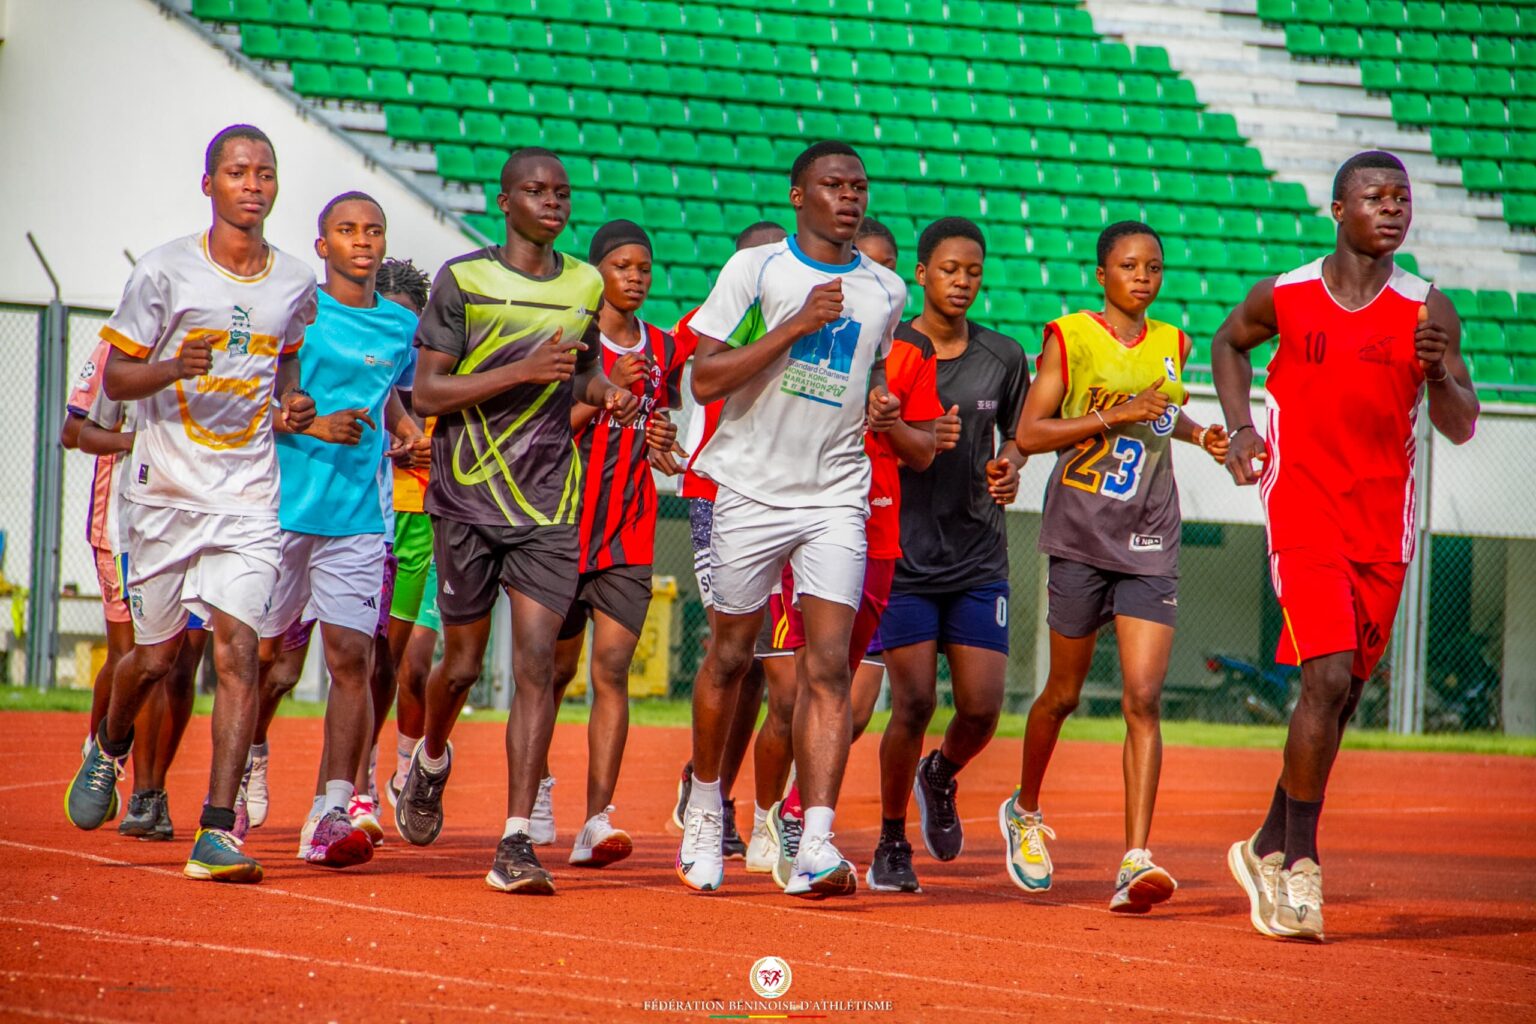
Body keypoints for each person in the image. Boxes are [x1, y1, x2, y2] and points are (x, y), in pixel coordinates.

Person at [1212, 152, 1478, 941]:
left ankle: (1265, 843)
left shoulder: (1430, 310)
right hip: (1302, 508)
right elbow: (1229, 344)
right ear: (1337, 209)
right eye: (1375, 196)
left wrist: (1439, 377)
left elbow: (1462, 425)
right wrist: (1239, 430)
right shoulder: (1286, 294)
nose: (1393, 209)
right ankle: (1300, 869)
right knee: (1323, 676)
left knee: (1342, 693)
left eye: (1403, 198)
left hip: (1381, 523)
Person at [65, 124, 318, 885]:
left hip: (247, 495)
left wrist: (293, 401)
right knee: (156, 658)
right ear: (209, 184)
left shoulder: (296, 282)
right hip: (165, 494)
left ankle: (215, 831)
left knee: (238, 648)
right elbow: (115, 385)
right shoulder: (164, 272)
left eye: (264, 173)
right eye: (237, 172)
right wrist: (175, 364)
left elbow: (287, 361)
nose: (253, 184)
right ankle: (109, 744)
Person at [393, 147, 638, 897]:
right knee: (461, 665)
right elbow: (429, 394)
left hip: (547, 506)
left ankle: (515, 840)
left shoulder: (584, 281)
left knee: (536, 664)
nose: (553, 201)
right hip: (466, 498)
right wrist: (520, 372)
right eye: (536, 190)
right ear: (505, 201)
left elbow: (584, 366)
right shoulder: (462, 280)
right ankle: (429, 757)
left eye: (562, 191)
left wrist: (605, 388)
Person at [675, 141, 906, 898]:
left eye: (859, 186)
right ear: (799, 195)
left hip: (835, 490)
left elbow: (865, 375)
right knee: (731, 656)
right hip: (747, 485)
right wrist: (794, 327)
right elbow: (703, 379)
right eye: (833, 186)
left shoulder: (885, 290)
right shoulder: (760, 270)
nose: (850, 197)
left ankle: (816, 841)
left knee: (829, 664)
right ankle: (706, 804)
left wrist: (878, 402)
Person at [1001, 221, 1230, 912]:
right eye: (1129, 265)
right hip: (1079, 532)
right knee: (1063, 695)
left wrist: (1200, 433)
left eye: (1153, 266)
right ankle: (1026, 811)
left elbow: (1159, 417)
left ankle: (1136, 859)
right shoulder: (1069, 337)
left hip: (1150, 536)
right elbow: (1031, 434)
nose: (1143, 276)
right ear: (1102, 274)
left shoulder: (1172, 342)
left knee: (1142, 697)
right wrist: (1113, 415)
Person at [747, 215, 951, 893]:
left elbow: (923, 452)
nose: (875, 277)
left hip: (876, 536)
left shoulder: (911, 356)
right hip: (798, 517)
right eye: (864, 262)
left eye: (886, 266)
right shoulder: (808, 337)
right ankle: (766, 814)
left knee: (846, 697)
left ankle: (808, 825)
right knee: (789, 692)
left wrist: (893, 426)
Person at [254, 192, 425, 869]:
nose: (363, 241)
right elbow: (254, 401)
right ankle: (250, 756)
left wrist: (409, 435)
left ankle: (330, 811)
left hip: (358, 520)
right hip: (280, 511)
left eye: (373, 231)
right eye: (347, 231)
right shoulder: (296, 314)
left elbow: (401, 403)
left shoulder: (397, 328)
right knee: (269, 666)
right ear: (321, 245)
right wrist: (308, 420)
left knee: (353, 661)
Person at [866, 218, 1026, 893]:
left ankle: (942, 774)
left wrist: (1012, 466)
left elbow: (1018, 436)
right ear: (922, 274)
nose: (963, 282)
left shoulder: (1005, 356)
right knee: (912, 702)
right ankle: (891, 840)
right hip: (904, 553)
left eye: (974, 272)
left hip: (977, 550)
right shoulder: (890, 352)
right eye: (950, 270)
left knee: (983, 708)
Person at [544, 220, 687, 867]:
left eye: (644, 267)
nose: (634, 276)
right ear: (596, 270)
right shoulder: (572, 341)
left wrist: (660, 439)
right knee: (551, 672)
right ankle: (538, 786)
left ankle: (596, 821)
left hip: (630, 531)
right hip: (561, 525)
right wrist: (605, 395)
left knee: (611, 669)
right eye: (622, 265)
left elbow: (663, 418)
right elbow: (545, 429)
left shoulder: (663, 346)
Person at [668, 219, 789, 868]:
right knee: (734, 650)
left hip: (784, 497)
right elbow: (657, 372)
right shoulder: (707, 319)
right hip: (716, 493)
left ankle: (715, 788)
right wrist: (657, 433)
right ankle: (712, 801)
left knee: (771, 671)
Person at [61, 343, 202, 841]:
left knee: (183, 668)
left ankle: (150, 792)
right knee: (139, 659)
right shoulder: (117, 348)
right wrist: (135, 443)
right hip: (126, 525)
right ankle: (105, 750)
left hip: (206, 520)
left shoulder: (226, 336)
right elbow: (73, 432)